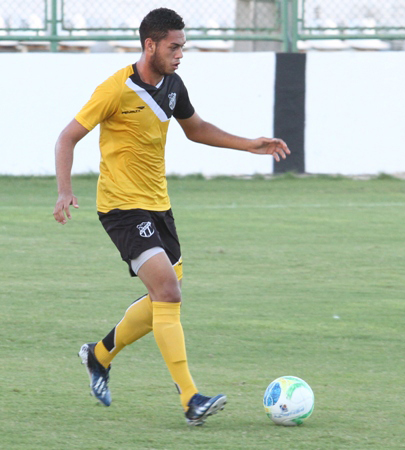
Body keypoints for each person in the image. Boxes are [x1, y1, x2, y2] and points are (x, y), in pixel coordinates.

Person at [52, 8, 290, 426]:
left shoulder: (173, 85)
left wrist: (249, 145)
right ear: (151, 45)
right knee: (168, 292)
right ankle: (190, 399)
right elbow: (67, 136)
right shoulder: (116, 89)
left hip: (159, 205)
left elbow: (195, 128)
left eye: (183, 46)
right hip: (121, 208)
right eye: (174, 47)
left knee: (166, 294)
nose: (181, 54)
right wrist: (65, 191)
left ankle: (99, 354)